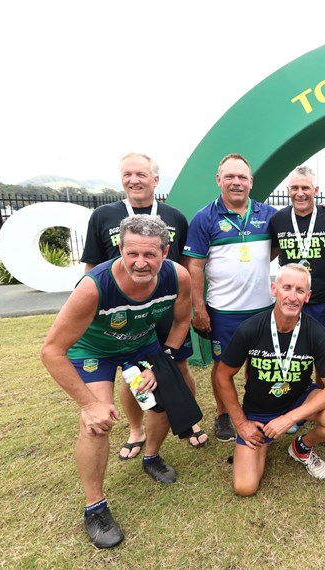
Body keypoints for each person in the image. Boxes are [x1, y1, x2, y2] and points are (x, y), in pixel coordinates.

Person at [41, 215, 193, 548]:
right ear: (120, 249)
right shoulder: (94, 287)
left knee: (161, 401)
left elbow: (183, 321)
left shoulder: (178, 277)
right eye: (132, 253)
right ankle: (94, 507)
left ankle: (151, 457)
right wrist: (89, 404)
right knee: (97, 423)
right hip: (95, 351)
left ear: (165, 253)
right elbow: (52, 351)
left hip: (141, 345)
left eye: (150, 254)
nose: (141, 263)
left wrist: (163, 361)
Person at [80, 152, 205, 456]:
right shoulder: (103, 216)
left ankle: (188, 422)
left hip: (166, 307)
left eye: (141, 174)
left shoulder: (174, 216)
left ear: (155, 180)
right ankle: (137, 429)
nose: (134, 180)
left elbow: (186, 262)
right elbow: (91, 267)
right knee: (131, 374)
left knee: (178, 365)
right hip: (124, 315)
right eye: (128, 175)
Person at [214, 264, 325, 496]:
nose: (292, 296)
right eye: (286, 287)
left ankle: (301, 446)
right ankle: (262, 440)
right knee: (245, 488)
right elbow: (222, 376)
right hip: (257, 411)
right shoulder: (251, 328)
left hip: (298, 401)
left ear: (308, 296)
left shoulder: (315, 332)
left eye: (299, 290)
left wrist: (289, 419)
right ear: (273, 289)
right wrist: (241, 423)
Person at [182, 153, 278, 443]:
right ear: (219, 180)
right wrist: (198, 309)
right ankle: (224, 412)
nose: (236, 182)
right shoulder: (204, 218)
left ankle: (254, 408)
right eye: (230, 177)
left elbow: (275, 249)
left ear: (251, 181)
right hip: (224, 310)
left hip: (263, 307)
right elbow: (194, 266)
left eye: (242, 177)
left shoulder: (268, 214)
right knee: (223, 366)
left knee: (258, 363)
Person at [269, 166, 325, 334]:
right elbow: (270, 253)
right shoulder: (278, 219)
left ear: (316, 190)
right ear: (288, 190)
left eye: (305, 188)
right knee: (289, 349)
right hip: (289, 300)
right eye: (295, 188)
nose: (300, 193)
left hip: (323, 300)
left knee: (322, 350)